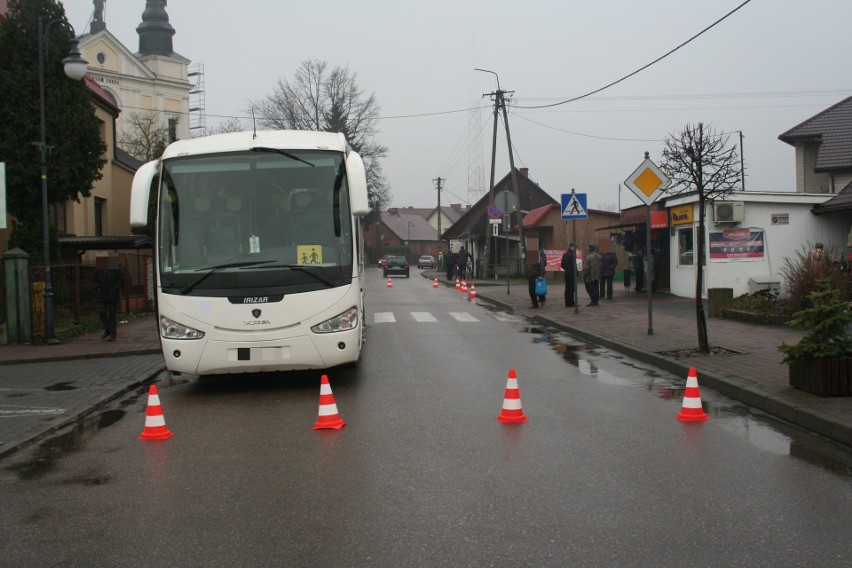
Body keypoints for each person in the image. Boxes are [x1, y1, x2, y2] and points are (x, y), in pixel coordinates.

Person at [93, 255, 124, 341]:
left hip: (113, 294)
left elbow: (121, 279)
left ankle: (112, 334)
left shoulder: (115, 267)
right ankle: (107, 328)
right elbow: (94, 280)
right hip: (102, 294)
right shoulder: (99, 269)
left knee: (112, 314)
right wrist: (97, 287)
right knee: (101, 311)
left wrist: (115, 289)